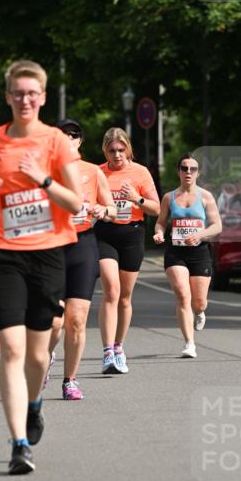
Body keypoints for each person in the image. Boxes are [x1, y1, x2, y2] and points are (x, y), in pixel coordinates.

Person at [0, 59, 82, 475]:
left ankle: (34, 405)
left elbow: (75, 203)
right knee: (13, 350)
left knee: (38, 356)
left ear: (42, 97)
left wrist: (42, 179)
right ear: (8, 97)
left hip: (47, 253)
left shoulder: (56, 142)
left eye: (32, 94)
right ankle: (19, 443)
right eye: (17, 93)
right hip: (2, 253)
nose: (24, 100)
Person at [46, 119, 116, 400]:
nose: (69, 138)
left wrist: (102, 209)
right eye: (63, 135)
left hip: (83, 245)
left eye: (74, 135)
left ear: (80, 141)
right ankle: (46, 355)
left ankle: (69, 380)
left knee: (76, 320)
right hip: (52, 246)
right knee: (53, 322)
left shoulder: (93, 172)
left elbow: (113, 209)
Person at [95, 128, 160, 374]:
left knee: (124, 296)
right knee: (111, 290)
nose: (117, 155)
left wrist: (136, 199)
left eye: (121, 150)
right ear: (105, 151)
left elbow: (155, 208)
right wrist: (96, 208)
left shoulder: (140, 172)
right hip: (105, 234)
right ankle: (107, 352)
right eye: (112, 151)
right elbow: (85, 200)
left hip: (132, 235)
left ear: (128, 149)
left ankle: (119, 347)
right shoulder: (98, 173)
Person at [153, 153, 222, 358]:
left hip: (199, 252)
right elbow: (161, 222)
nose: (188, 172)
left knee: (199, 302)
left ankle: (200, 313)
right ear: (179, 172)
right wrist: (158, 232)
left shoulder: (206, 196)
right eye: (184, 169)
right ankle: (189, 343)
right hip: (176, 253)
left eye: (192, 169)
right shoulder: (169, 197)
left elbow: (217, 226)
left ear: (198, 173)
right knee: (183, 295)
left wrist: (200, 235)